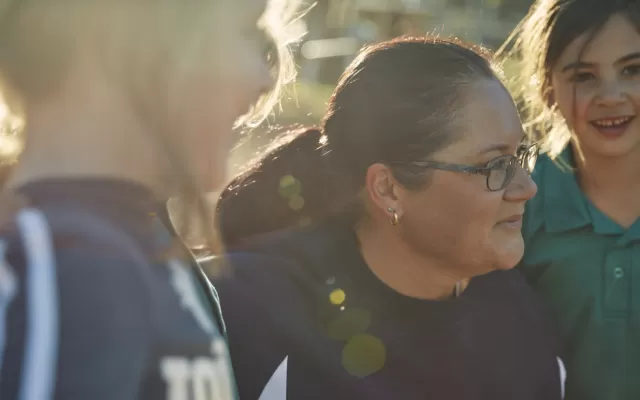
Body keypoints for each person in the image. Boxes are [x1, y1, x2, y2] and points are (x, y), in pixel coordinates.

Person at [209, 36, 566, 400]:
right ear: (388, 189)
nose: (526, 187)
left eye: (520, 156)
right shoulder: (242, 312)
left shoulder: (519, 322)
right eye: (495, 165)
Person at [0, 0, 301, 398]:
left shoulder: (143, 249)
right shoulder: (64, 258)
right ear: (123, 36)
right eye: (246, 30)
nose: (263, 76)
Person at [500, 0, 640, 398]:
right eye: (584, 76)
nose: (610, 96)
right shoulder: (514, 203)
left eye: (633, 70)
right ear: (547, 89)